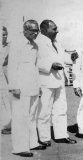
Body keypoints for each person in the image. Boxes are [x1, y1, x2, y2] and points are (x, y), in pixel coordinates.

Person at [8, 20, 46, 157]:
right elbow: (12, 67)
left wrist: (39, 85)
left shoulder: (35, 46)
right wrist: (14, 87)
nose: (36, 33)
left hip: (33, 86)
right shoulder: (17, 44)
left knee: (31, 116)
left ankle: (32, 143)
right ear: (25, 30)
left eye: (37, 31)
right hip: (20, 88)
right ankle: (19, 148)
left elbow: (35, 67)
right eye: (33, 31)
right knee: (20, 118)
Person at [37, 20, 77, 146]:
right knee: (44, 111)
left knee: (61, 109)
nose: (57, 31)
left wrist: (71, 58)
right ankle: (44, 138)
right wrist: (50, 65)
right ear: (44, 30)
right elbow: (35, 62)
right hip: (46, 81)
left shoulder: (56, 43)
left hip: (59, 81)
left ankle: (61, 135)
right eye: (54, 29)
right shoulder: (38, 43)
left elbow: (63, 56)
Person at [0, 26, 11, 134]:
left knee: (6, 101)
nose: (5, 36)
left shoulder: (9, 47)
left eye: (5, 34)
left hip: (5, 78)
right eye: (2, 34)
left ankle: (6, 126)